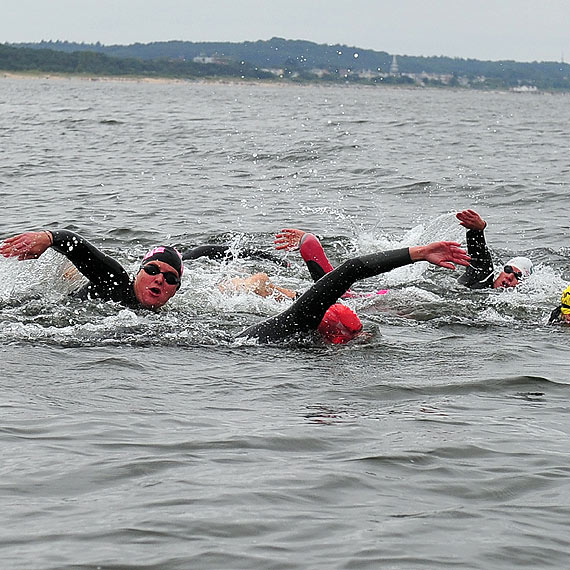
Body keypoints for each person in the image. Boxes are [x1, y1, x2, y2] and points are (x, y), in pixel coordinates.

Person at [237, 240, 470, 343]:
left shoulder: (290, 327)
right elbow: (351, 269)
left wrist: (419, 253)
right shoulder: (296, 324)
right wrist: (419, 253)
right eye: (352, 337)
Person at [0, 229, 183, 310]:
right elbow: (78, 246)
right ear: (138, 272)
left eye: (170, 278)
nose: (159, 279)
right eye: (152, 270)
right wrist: (48, 238)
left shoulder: (168, 317)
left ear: (175, 291)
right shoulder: (115, 280)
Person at [456, 209, 533, 289]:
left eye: (518, 276)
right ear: (500, 272)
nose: (510, 276)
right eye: (508, 269)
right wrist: (476, 231)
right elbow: (479, 262)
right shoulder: (481, 280)